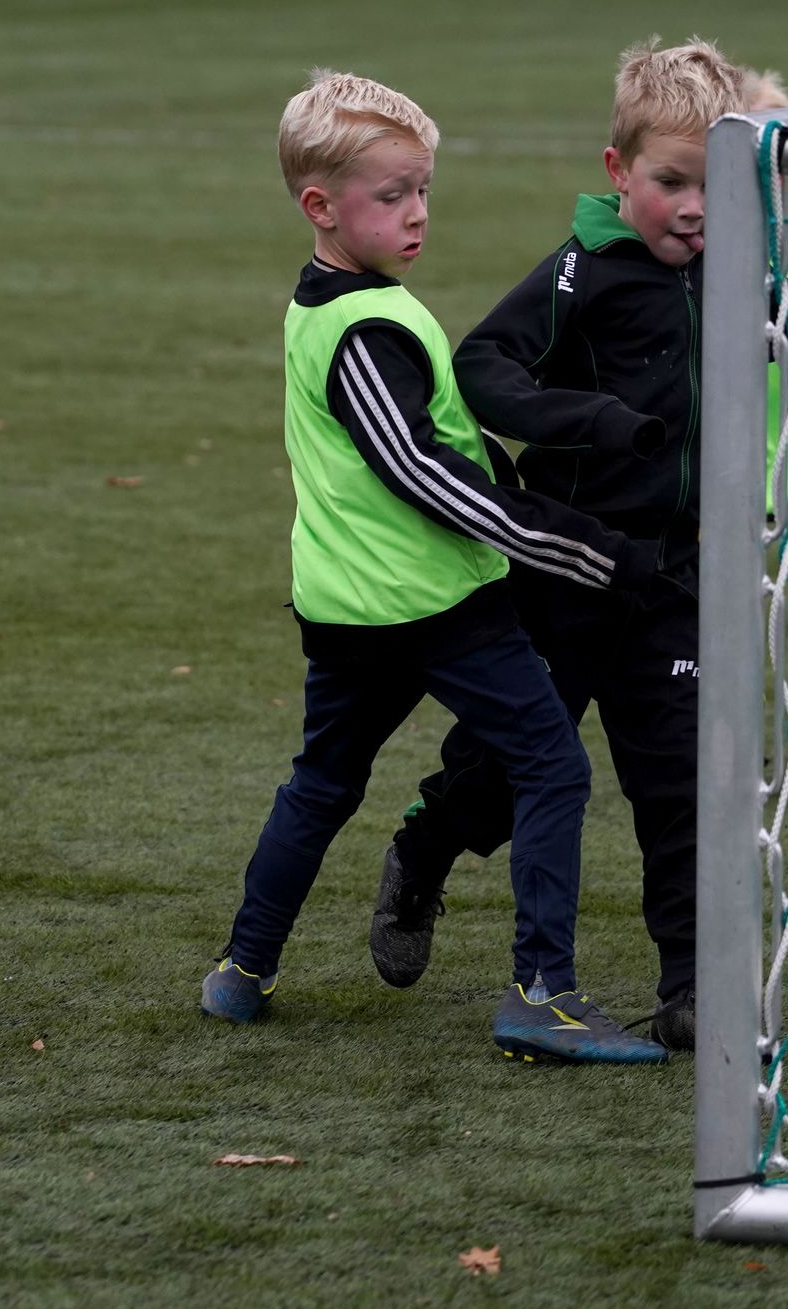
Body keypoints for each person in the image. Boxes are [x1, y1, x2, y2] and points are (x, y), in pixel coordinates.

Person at [368, 38, 788, 1048]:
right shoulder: (583, 271)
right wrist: (592, 420)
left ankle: (689, 986)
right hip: (567, 568)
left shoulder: (741, 271)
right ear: (619, 174)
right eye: (670, 183)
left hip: (680, 578)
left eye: (717, 185)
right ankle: (426, 847)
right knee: (502, 765)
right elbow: (483, 362)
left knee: (680, 784)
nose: (695, 207)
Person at [202, 70, 668, 1064]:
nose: (415, 214)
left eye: (422, 190)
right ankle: (539, 996)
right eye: (390, 196)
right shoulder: (363, 329)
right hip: (427, 609)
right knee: (549, 768)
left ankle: (243, 971)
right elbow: (420, 473)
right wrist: (585, 552)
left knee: (321, 783)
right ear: (318, 206)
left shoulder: (342, 301)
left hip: (349, 606)